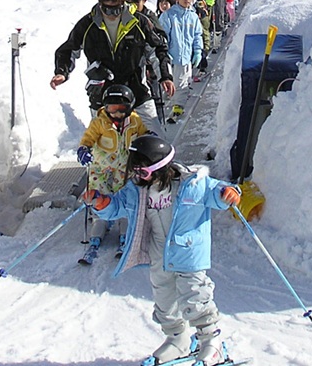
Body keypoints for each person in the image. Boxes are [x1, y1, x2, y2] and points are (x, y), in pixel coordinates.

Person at [85, 136, 241, 366]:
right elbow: (117, 205)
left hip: (188, 252)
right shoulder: (136, 190)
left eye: (143, 172)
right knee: (164, 297)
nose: (138, 177)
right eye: (134, 171)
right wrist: (102, 203)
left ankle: (211, 342)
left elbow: (218, 192)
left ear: (160, 168)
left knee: (194, 295)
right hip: (159, 252)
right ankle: (177, 339)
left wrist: (229, 193)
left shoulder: (194, 184)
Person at [51, 0, 175, 134]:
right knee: (103, 144)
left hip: (136, 89)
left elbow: (158, 50)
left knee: (155, 138)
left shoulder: (139, 22)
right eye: (107, 9)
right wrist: (62, 72)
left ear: (123, 3)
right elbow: (68, 49)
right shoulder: (87, 25)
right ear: (100, 4)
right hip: (102, 94)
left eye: (116, 9)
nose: (111, 15)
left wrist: (165, 76)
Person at [76, 84, 148, 264]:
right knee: (100, 196)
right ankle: (98, 225)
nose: (116, 114)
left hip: (124, 169)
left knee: (124, 196)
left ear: (129, 107)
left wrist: (148, 138)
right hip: (101, 168)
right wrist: (84, 149)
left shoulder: (134, 121)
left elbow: (142, 133)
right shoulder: (99, 122)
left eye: (121, 109)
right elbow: (88, 139)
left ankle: (125, 229)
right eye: (111, 109)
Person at [156, 0, 203, 118]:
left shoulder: (193, 17)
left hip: (186, 56)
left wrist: (198, 51)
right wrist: (165, 52)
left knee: (183, 82)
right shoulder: (169, 15)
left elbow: (197, 35)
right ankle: (166, 104)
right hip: (171, 56)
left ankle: (178, 107)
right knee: (171, 81)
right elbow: (163, 35)